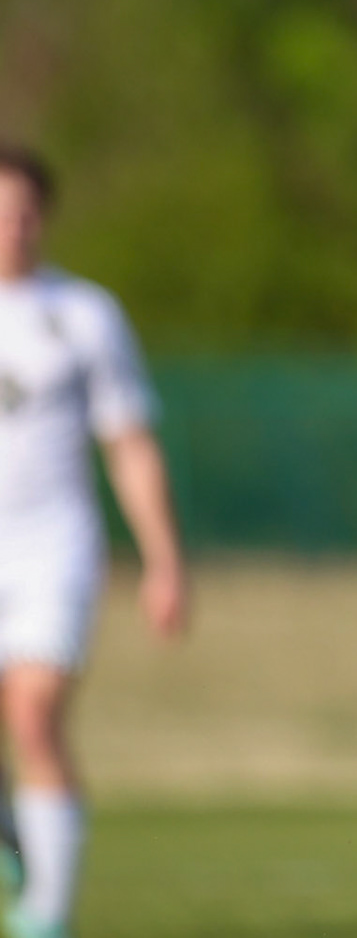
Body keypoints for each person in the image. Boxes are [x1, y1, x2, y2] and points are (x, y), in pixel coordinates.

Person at [0, 147, 189, 938]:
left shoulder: (83, 315)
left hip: (54, 546)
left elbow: (130, 444)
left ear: (44, 218)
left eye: (23, 212)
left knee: (34, 715)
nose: (10, 228)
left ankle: (46, 915)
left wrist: (163, 563)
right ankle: (16, 829)